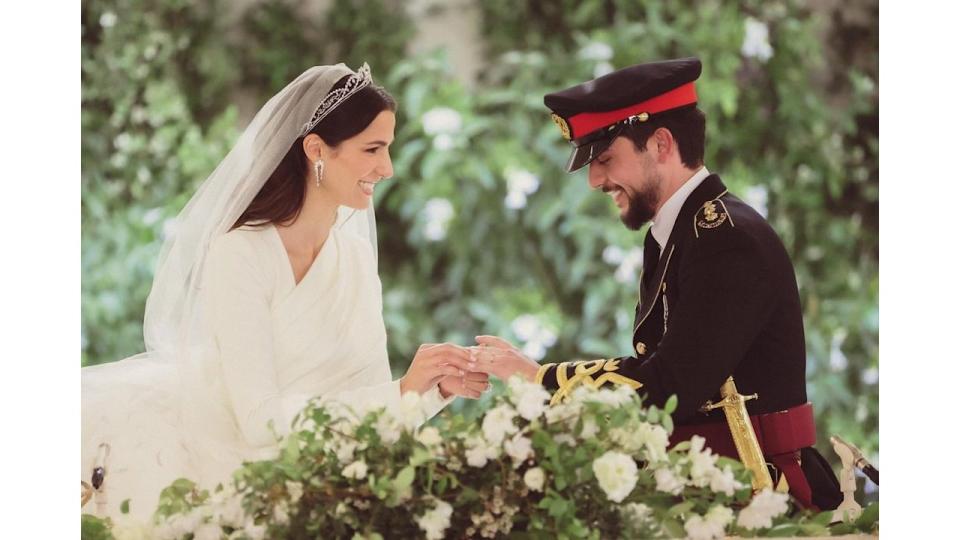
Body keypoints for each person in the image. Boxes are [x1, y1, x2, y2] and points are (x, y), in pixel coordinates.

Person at [81, 63, 488, 520]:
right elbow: (259, 423)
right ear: (316, 148)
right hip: (235, 474)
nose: (388, 168)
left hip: (322, 477)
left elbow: (368, 400)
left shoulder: (353, 257)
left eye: (388, 149)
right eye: (373, 148)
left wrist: (428, 392)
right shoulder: (240, 254)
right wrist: (400, 392)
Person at [474, 57, 842, 510]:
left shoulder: (726, 239)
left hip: (762, 495)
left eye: (606, 158)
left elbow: (669, 386)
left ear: (661, 144)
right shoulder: (681, 232)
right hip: (717, 485)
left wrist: (541, 378)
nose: (594, 180)